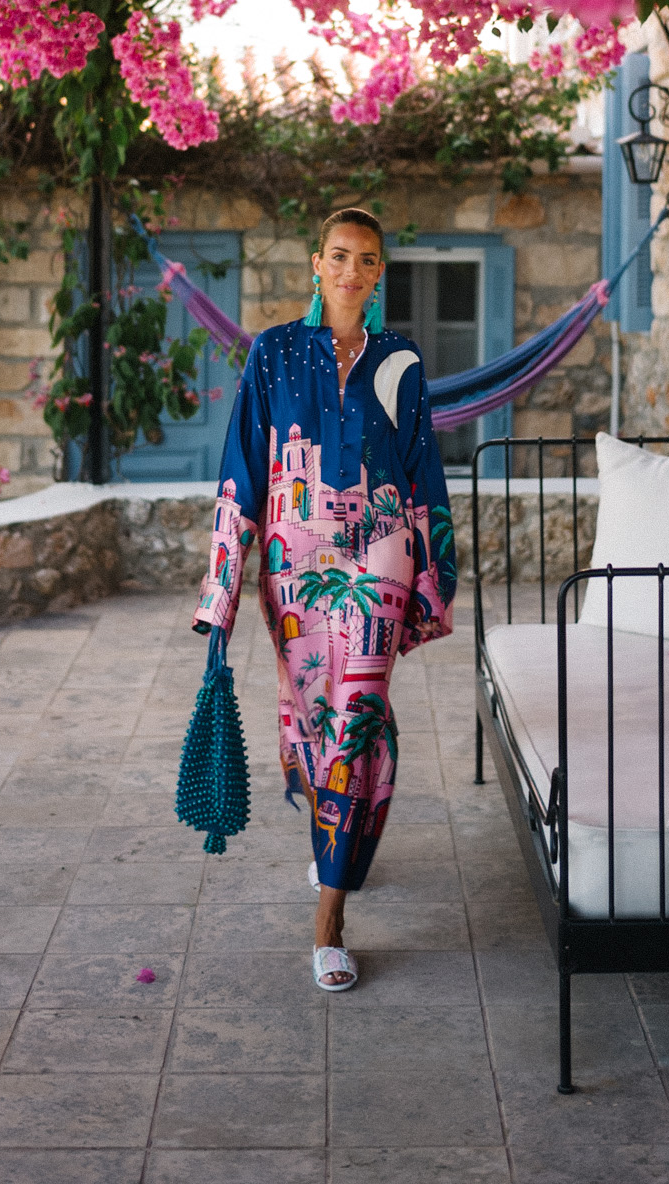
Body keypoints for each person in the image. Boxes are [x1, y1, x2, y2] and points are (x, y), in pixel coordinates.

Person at [192, 208, 456, 992]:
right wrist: (222, 587)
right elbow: (241, 467)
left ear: (380, 274)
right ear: (317, 263)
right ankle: (345, 826)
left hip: (381, 555)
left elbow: (421, 470)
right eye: (338, 256)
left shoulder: (400, 358)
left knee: (359, 712)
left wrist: (432, 579)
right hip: (294, 566)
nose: (350, 271)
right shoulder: (273, 355)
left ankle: (330, 922)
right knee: (315, 721)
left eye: (366, 260)